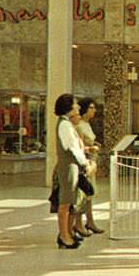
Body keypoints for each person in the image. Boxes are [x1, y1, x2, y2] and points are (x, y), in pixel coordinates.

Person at [53, 94, 89, 249]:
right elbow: (72, 148)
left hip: (72, 166)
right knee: (65, 202)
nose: (78, 107)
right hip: (68, 166)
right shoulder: (64, 125)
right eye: (75, 105)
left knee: (70, 201)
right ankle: (64, 235)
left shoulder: (67, 124)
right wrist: (85, 163)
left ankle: (68, 232)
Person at [74, 98, 104, 235]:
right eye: (91, 108)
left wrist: (95, 144)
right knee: (83, 194)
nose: (94, 110)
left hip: (92, 163)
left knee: (90, 194)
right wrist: (92, 148)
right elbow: (80, 147)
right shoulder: (79, 126)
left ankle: (90, 221)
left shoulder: (87, 124)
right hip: (85, 163)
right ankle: (78, 223)